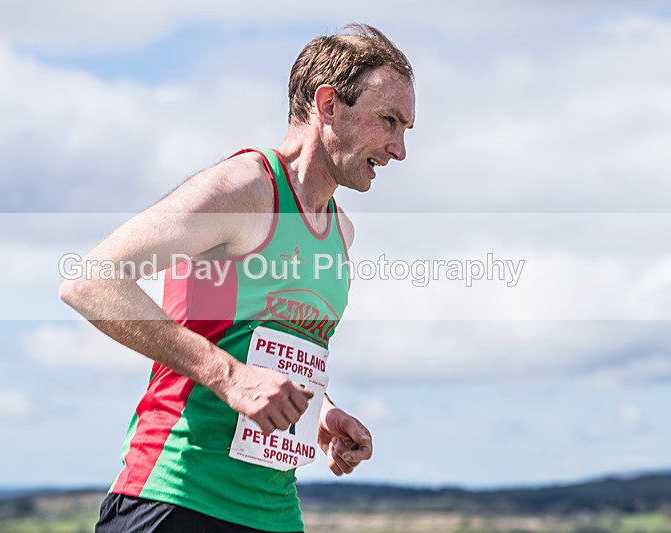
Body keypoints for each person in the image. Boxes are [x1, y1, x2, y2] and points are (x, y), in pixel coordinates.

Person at [59, 23, 415, 533]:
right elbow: (92, 280)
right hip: (177, 496)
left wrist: (319, 412)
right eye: (389, 121)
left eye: (405, 129)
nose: (399, 149)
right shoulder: (245, 189)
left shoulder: (342, 233)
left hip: (274, 511)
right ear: (328, 105)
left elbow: (268, 348)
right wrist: (230, 377)